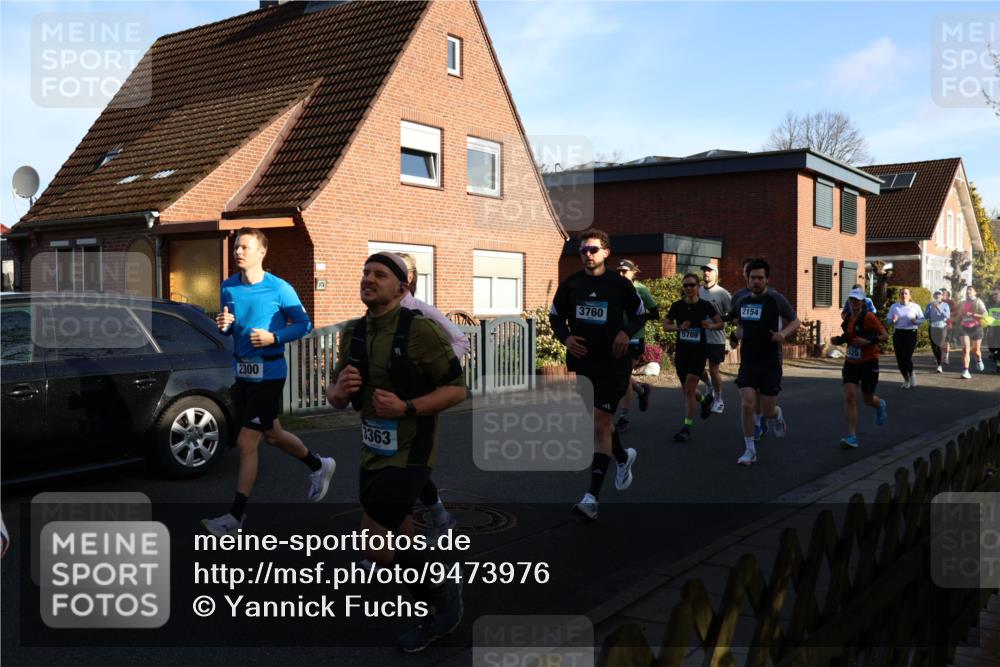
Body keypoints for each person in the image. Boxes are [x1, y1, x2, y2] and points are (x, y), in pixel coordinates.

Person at [326, 251, 467, 652]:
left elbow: (457, 389)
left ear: (402, 287)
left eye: (380, 274)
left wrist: (407, 407)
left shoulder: (420, 330)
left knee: (374, 540)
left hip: (412, 452)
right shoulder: (352, 332)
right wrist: (336, 393)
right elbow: (338, 396)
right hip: (372, 449)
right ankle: (432, 605)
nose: (368, 279)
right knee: (399, 538)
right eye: (365, 272)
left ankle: (443, 599)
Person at [201, 228, 333, 537]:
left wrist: (274, 336)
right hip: (243, 374)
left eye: (245, 247)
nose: (238, 252)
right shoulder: (228, 287)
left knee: (248, 442)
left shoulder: (280, 289)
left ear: (262, 252)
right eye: (236, 247)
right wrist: (224, 325)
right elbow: (228, 326)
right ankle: (319, 465)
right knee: (272, 435)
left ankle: (235, 518)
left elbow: (304, 324)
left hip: (270, 373)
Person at [549, 229, 648, 520]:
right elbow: (555, 316)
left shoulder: (620, 285)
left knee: (602, 421)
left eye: (593, 249)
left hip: (614, 364)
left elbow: (642, 314)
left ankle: (591, 497)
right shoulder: (572, 284)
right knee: (598, 423)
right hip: (583, 363)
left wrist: (624, 332)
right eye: (583, 251)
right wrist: (566, 337)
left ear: (606, 252)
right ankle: (622, 457)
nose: (587, 255)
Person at [396, 253, 469, 537]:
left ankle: (390, 551)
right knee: (396, 467)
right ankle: (439, 517)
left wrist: (437, 374)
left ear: (408, 279)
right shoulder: (376, 314)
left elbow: (461, 341)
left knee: (402, 467)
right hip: (384, 404)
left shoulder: (422, 311)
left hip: (418, 401)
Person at [728, 258, 800, 466]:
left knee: (768, 410)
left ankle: (777, 415)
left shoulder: (776, 299)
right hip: (749, 361)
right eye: (753, 278)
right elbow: (742, 327)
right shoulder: (742, 301)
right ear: (747, 279)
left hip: (770, 362)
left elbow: (795, 321)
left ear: (767, 279)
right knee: (746, 403)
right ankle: (750, 450)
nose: (756, 281)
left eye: (760, 278)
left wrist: (782, 334)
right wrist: (734, 337)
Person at [662, 273, 723, 442]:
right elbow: (665, 325)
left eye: (692, 285)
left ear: (698, 287)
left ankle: (686, 426)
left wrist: (710, 325)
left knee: (689, 388)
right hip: (682, 352)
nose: (689, 288)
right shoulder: (677, 306)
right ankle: (704, 400)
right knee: (687, 390)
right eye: (686, 285)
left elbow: (721, 323)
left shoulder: (705, 305)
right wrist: (679, 327)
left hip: (699, 352)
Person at [831, 287, 888, 448]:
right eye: (851, 300)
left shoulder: (870, 317)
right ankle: (852, 436)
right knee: (850, 396)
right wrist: (838, 340)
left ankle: (879, 404)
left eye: (856, 300)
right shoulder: (848, 317)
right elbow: (849, 336)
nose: (854, 303)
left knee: (868, 399)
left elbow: (884, 336)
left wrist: (868, 342)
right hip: (851, 362)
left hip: (869, 361)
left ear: (862, 302)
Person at [727, 258, 770, 441]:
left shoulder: (769, 295)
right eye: (748, 273)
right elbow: (736, 319)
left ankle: (761, 418)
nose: (751, 277)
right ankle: (757, 424)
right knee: (749, 393)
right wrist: (734, 336)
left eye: (756, 275)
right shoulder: (738, 296)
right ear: (745, 274)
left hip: (766, 351)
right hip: (749, 351)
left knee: (761, 391)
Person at [613, 259, 657, 432]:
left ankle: (624, 416)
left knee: (623, 376)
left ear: (633, 272)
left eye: (625, 271)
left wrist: (637, 318)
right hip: (616, 338)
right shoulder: (614, 288)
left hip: (634, 339)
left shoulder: (641, 290)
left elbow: (654, 313)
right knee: (618, 374)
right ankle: (641, 389)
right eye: (619, 271)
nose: (621, 274)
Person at [698, 262, 732, 415]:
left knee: (714, 369)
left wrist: (716, 321)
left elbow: (732, 315)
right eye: (704, 271)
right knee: (697, 368)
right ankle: (709, 387)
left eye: (709, 271)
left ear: (716, 274)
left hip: (716, 338)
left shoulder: (722, 293)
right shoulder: (697, 291)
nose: (706, 273)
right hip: (699, 337)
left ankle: (719, 400)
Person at [886, 289, 924, 388]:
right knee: (899, 359)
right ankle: (906, 380)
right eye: (902, 293)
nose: (904, 295)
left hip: (911, 333)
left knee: (906, 356)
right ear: (899, 295)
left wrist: (916, 321)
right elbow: (888, 321)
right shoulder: (894, 307)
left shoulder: (915, 306)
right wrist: (893, 320)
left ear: (909, 295)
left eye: (906, 293)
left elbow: (922, 319)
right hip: (898, 333)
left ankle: (911, 374)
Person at [956, 285, 988, 378]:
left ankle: (979, 359)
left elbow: (985, 315)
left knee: (976, 350)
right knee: (966, 349)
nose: (968, 292)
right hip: (964, 327)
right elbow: (959, 314)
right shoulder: (962, 302)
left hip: (976, 327)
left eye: (970, 290)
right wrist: (959, 314)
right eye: (967, 290)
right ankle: (965, 371)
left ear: (975, 292)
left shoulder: (978, 301)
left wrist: (973, 314)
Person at [924, 290, 951, 373]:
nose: (937, 296)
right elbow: (926, 316)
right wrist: (930, 308)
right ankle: (938, 359)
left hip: (942, 326)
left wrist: (938, 308)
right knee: (933, 346)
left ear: (942, 297)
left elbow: (947, 316)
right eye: (936, 294)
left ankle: (939, 365)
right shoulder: (929, 305)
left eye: (939, 294)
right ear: (933, 296)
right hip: (932, 326)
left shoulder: (945, 305)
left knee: (939, 345)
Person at [984, 287, 1000, 374]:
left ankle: (998, 365)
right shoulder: (988, 305)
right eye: (993, 294)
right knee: (992, 348)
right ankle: (994, 355)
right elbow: (985, 318)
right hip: (992, 329)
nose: (994, 296)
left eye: (996, 294)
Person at [941, 288, 957, 365]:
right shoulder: (937, 302)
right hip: (937, 325)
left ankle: (946, 357)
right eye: (941, 293)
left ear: (947, 294)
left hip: (948, 324)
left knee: (946, 342)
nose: (942, 294)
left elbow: (955, 312)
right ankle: (938, 357)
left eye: (944, 293)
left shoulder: (951, 302)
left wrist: (947, 315)